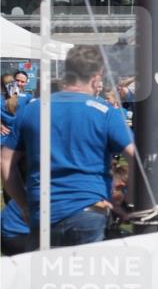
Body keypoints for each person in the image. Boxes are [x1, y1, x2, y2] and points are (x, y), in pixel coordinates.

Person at [1, 46, 135, 248]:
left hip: (43, 210)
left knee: (47, 276)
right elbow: (136, 158)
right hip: (88, 210)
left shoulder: (32, 109)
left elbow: (6, 161)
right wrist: (128, 200)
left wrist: (24, 206)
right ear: (96, 77)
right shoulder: (106, 112)